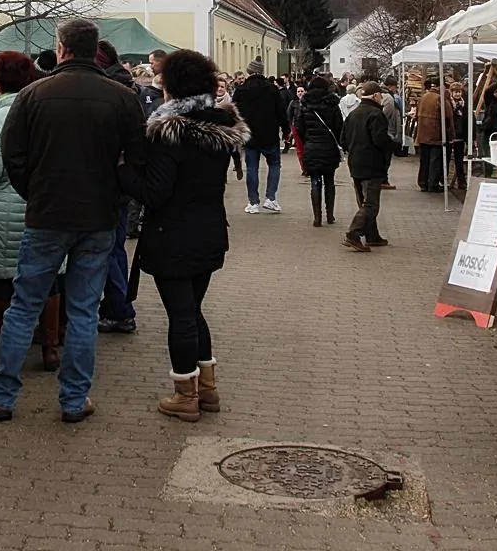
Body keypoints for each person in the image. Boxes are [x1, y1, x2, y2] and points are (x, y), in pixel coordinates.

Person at [0, 19, 146, 424]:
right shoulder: (123, 99)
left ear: (62, 48)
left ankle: (2, 396)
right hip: (98, 216)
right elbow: (136, 162)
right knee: (84, 310)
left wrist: (35, 193)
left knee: (24, 304)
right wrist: (115, 196)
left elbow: (13, 155)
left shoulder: (33, 95)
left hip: (47, 214)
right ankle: (73, 399)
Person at [119, 49, 246, 422]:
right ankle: (207, 388)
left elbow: (155, 192)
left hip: (172, 235)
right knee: (192, 310)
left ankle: (184, 394)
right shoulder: (221, 128)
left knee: (181, 316)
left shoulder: (168, 131)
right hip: (209, 231)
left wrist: (124, 171)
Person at [0, 52, 59, 372]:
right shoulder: (46, 110)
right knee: (49, 282)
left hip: (4, 214)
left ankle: (8, 351)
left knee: (3, 284)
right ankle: (49, 348)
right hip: (44, 207)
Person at [95, 39, 141, 334]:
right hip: (122, 183)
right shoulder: (127, 91)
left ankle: (119, 310)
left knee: (110, 250)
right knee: (115, 249)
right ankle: (119, 307)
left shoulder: (110, 93)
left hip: (108, 183)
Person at [339, 82, 392, 252]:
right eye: (381, 95)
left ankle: (372, 236)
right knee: (371, 204)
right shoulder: (376, 114)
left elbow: (343, 140)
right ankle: (353, 234)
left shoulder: (353, 114)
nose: (382, 98)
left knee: (364, 201)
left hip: (355, 164)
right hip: (372, 165)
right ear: (375, 95)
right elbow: (380, 140)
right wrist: (391, 145)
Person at [231, 59, 287, 214]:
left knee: (251, 168)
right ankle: (271, 198)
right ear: (262, 71)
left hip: (250, 136)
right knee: (274, 165)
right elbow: (281, 112)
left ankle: (253, 202)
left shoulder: (241, 90)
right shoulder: (272, 89)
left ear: (249, 71)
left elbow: (234, 113)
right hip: (270, 134)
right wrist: (286, 130)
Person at [295, 77, 343, 227]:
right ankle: (330, 215)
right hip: (329, 148)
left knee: (315, 181)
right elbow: (339, 127)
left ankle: (317, 217)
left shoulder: (305, 105)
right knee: (330, 181)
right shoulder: (333, 105)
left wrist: (308, 140)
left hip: (312, 147)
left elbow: (299, 127)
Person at [414, 78, 443, 193]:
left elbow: (416, 115)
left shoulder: (422, 98)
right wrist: (450, 134)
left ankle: (423, 183)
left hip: (422, 133)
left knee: (424, 160)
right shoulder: (440, 98)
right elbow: (447, 117)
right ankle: (433, 184)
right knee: (434, 161)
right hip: (435, 134)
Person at [446, 82, 468, 192]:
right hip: (450, 135)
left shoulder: (465, 104)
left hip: (460, 135)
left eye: (459, 92)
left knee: (459, 160)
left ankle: (461, 181)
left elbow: (468, 119)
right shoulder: (449, 104)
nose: (458, 94)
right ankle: (444, 180)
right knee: (447, 158)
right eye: (456, 92)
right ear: (452, 92)